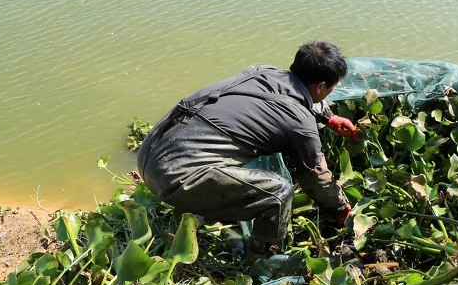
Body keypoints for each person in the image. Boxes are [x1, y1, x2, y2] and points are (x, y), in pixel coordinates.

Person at [137, 41, 358, 258]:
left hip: (150, 151)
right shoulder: (301, 122)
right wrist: (340, 207)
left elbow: (298, 97)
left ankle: (208, 206)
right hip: (173, 178)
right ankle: (260, 259)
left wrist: (329, 117)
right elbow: (315, 178)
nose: (330, 91)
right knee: (279, 193)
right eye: (331, 87)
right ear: (320, 86)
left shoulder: (264, 71)